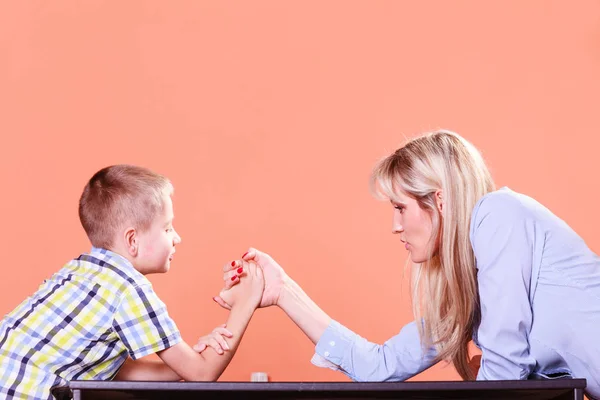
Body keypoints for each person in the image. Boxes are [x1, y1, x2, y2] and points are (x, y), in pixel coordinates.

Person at [216, 130, 600, 399]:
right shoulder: (477, 286)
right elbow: (379, 367)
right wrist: (283, 291)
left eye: (401, 207)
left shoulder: (498, 214)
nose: (395, 226)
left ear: (440, 200)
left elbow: (503, 371)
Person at [0, 164, 263, 400]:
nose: (177, 238)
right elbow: (202, 374)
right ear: (132, 240)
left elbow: (109, 366)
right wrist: (246, 301)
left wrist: (188, 358)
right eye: (167, 228)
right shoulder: (127, 287)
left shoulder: (79, 271)